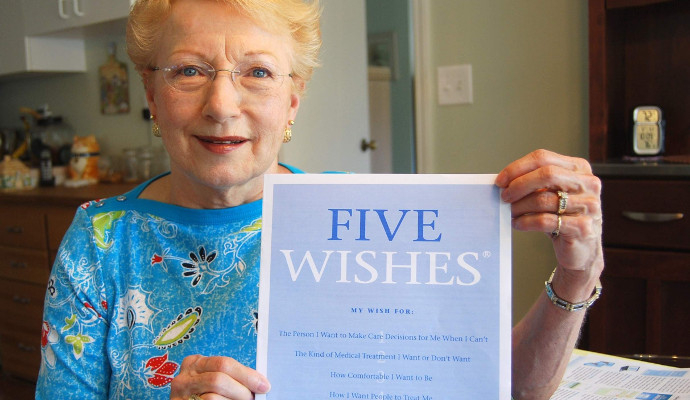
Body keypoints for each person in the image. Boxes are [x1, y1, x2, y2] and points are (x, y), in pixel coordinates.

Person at [35, 0, 604, 399]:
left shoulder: (356, 217)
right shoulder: (100, 241)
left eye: (258, 72)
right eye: (189, 70)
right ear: (152, 93)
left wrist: (577, 275)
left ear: (292, 100)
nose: (222, 104)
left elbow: (500, 388)